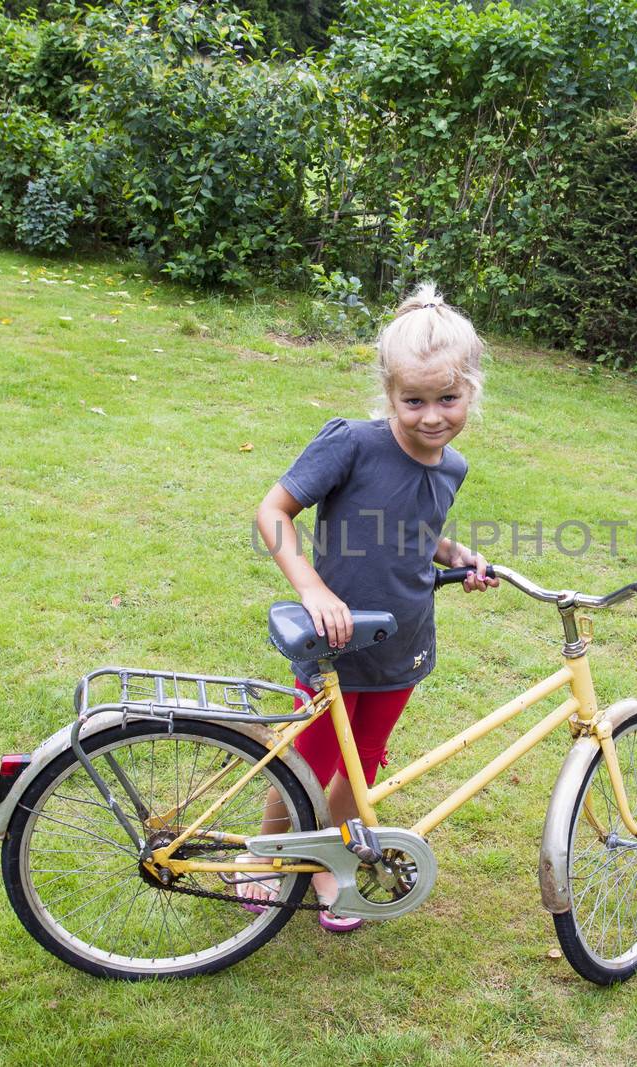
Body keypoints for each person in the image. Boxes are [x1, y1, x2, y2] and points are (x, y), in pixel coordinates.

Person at [241, 282, 499, 932]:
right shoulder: (351, 444)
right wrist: (313, 589)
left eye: (448, 398)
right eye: (414, 400)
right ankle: (267, 858)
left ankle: (326, 862)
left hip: (402, 646)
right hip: (334, 643)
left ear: (471, 391)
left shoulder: (452, 466)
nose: (432, 415)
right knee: (310, 761)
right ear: (390, 393)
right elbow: (273, 513)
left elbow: (416, 530)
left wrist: (458, 556)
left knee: (362, 766)